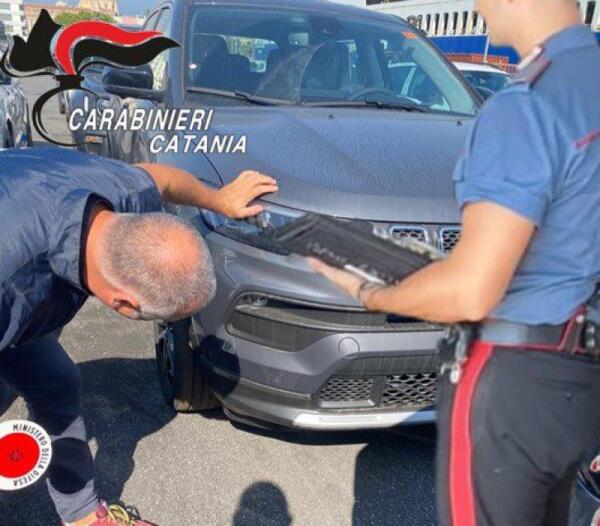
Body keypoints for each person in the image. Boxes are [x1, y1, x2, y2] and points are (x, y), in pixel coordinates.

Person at [310, 0, 600, 524]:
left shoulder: (528, 104)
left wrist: (372, 293)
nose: (478, 6)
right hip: (580, 374)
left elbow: (471, 291)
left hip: (514, 381)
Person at [0, 147, 277, 525]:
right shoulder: (11, 280)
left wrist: (220, 200)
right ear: (124, 305)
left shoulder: (123, 192)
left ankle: (80, 514)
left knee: (56, 383)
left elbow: (165, 179)